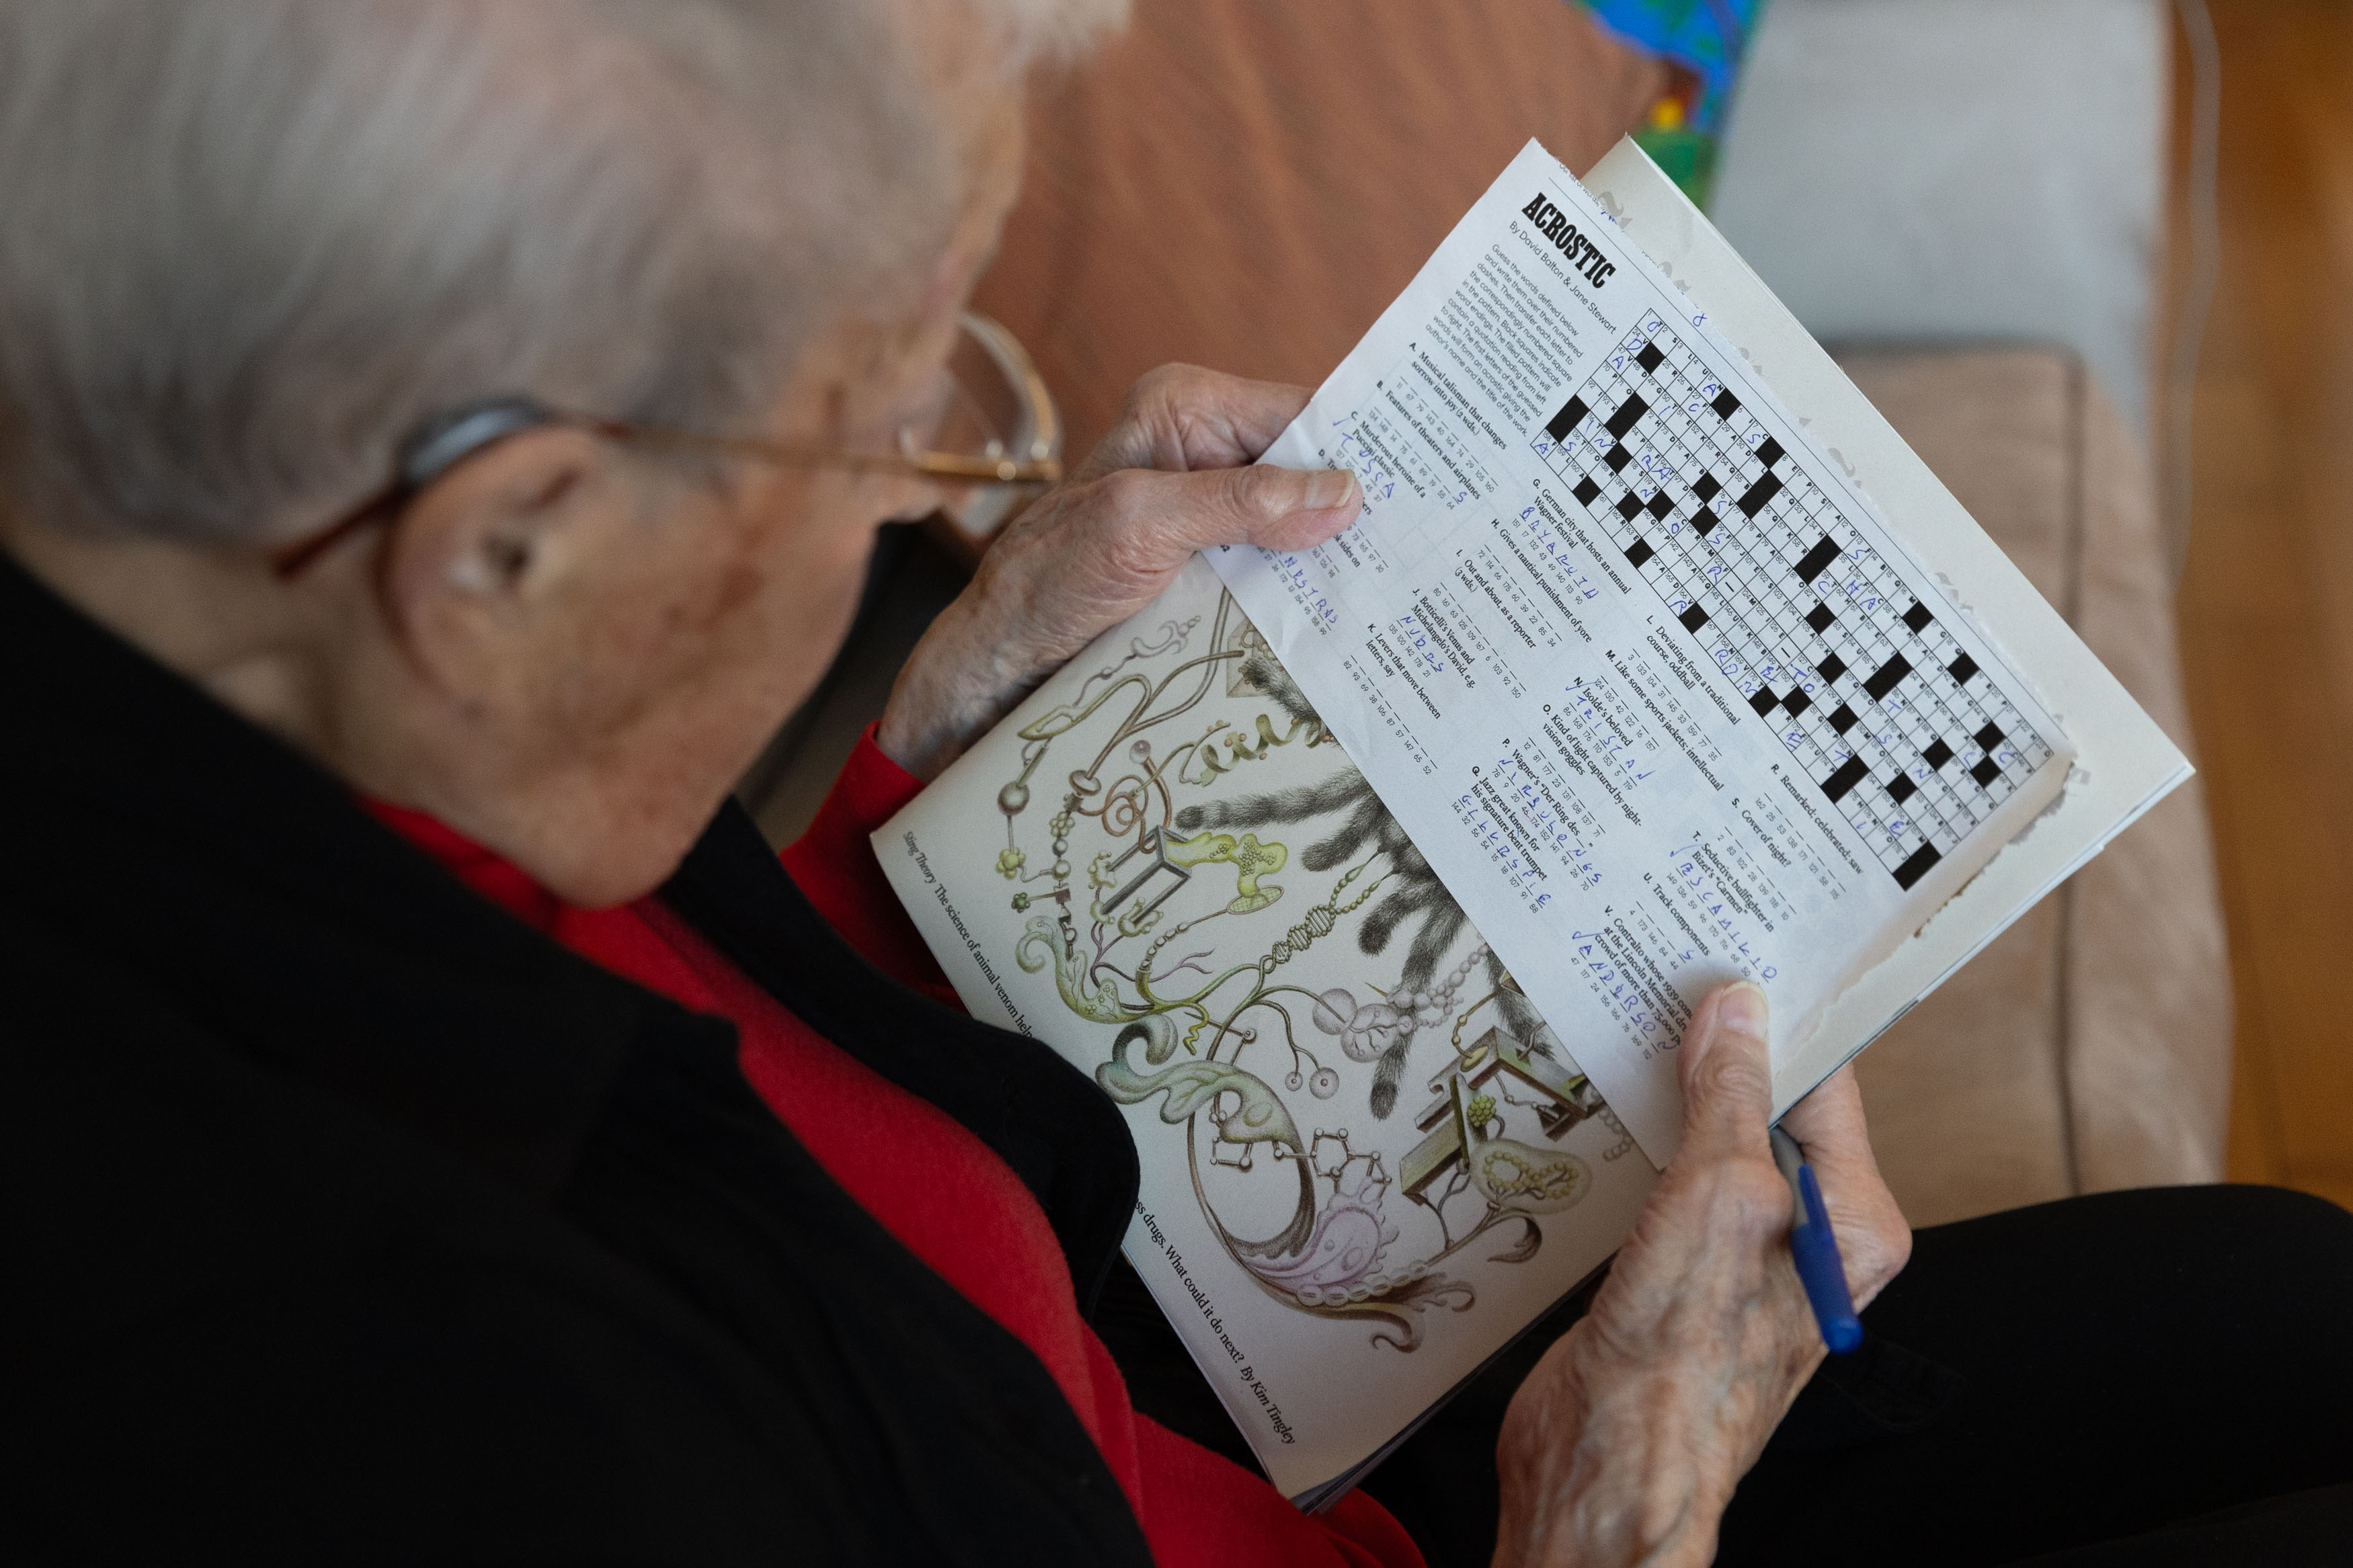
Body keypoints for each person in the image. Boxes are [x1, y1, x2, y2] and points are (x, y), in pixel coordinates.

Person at [1, 3, 2348, 1564]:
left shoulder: (276, 689)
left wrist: (919, 796)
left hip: (1207, 1390)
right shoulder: (430, 1417)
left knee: (2280, 1313)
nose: (929, 488)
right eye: (895, 416)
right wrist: (1609, 1527)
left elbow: (693, 1080)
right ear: (500, 540)